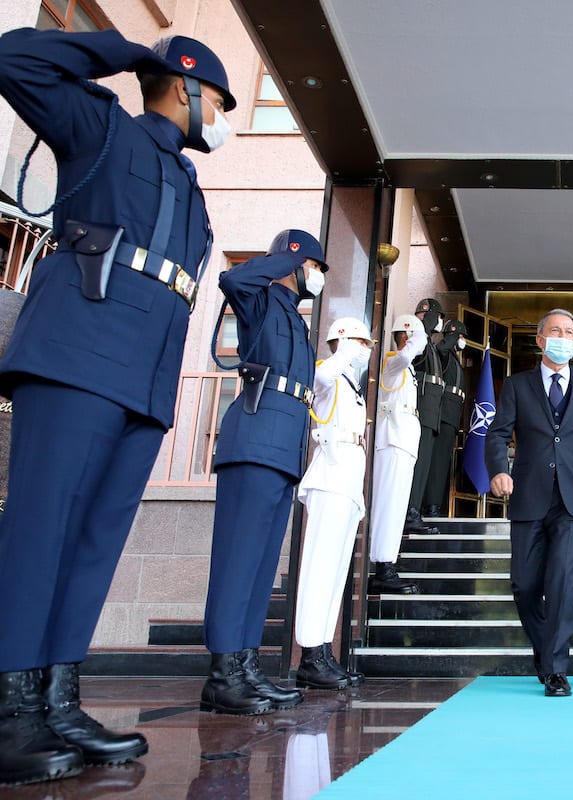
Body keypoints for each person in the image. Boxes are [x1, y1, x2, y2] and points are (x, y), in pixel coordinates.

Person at [0, 27, 235, 783]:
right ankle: (11, 704)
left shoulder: (193, 192)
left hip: (143, 378)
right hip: (76, 357)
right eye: (220, 103)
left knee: (95, 542)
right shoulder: (100, 126)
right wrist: (128, 50)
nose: (222, 119)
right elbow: (13, 59)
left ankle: (58, 696)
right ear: (184, 88)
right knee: (41, 529)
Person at [201, 230, 328, 716]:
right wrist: (281, 261)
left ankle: (246, 666)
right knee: (238, 560)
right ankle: (223, 674)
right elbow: (231, 278)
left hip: (283, 449)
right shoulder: (262, 298)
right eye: (314, 265)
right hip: (254, 441)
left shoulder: (295, 319)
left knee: (258, 567)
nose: (318, 276)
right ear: (295, 265)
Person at [485, 309, 573, 697]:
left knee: (562, 579)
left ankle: (556, 666)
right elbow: (497, 434)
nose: (563, 337)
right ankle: (545, 649)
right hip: (528, 495)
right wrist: (498, 470)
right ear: (540, 340)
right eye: (555, 331)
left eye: (570, 332)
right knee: (525, 585)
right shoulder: (517, 385)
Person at [292, 317, 375, 691]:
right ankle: (309, 653)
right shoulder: (329, 374)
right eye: (363, 343)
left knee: (337, 569)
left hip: (347, 483)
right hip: (329, 478)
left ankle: (323, 651)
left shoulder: (352, 385)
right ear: (343, 342)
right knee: (320, 567)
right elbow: (320, 379)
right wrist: (343, 352)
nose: (368, 350)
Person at [367, 314, 426, 595]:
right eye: (417, 337)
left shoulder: (407, 369)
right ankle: (382, 566)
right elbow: (403, 358)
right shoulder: (392, 362)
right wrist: (418, 338)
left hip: (404, 440)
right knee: (388, 505)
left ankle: (387, 561)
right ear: (406, 336)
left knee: (397, 504)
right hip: (392, 441)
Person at [405, 298, 444, 535]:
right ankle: (410, 511)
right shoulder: (416, 340)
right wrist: (423, 327)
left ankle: (414, 510)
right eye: (436, 317)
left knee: (424, 465)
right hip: (420, 410)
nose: (439, 322)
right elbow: (413, 359)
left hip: (430, 412)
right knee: (417, 466)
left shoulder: (428, 343)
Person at [423, 318, 467, 516]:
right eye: (461, 337)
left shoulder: (454, 358)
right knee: (437, 462)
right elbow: (441, 349)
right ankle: (431, 505)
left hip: (450, 415)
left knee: (442, 463)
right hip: (443, 414)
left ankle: (435, 504)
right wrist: (451, 338)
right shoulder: (444, 353)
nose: (463, 340)